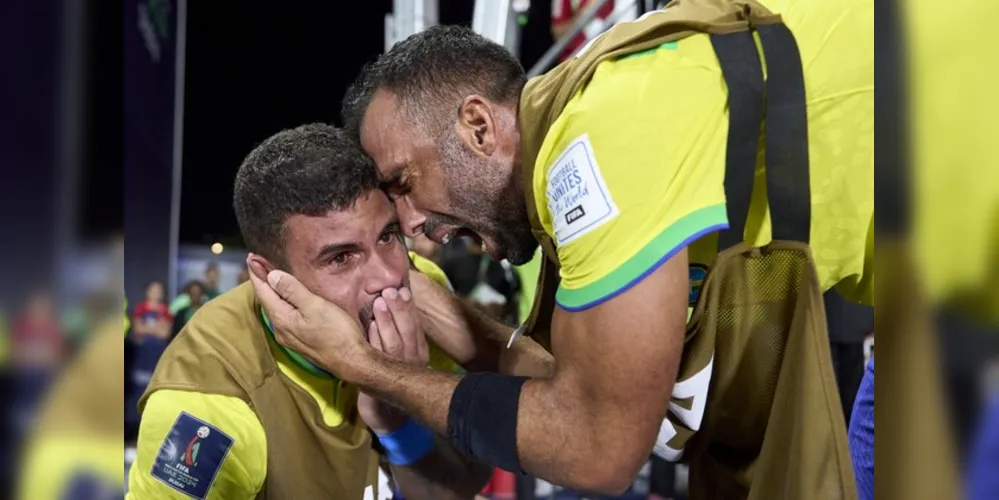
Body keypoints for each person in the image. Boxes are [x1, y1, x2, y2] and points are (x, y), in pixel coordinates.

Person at [254, 0, 871, 496]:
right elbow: (582, 388)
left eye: (404, 186)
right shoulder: (590, 124)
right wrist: (435, 306)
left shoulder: (591, 145)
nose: (412, 227)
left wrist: (371, 371)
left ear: (478, 126)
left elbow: (599, 446)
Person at [128, 125, 528, 499]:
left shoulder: (419, 286)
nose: (387, 276)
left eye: (387, 236)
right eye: (341, 258)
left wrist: (399, 414)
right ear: (270, 277)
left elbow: (469, 480)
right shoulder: (207, 403)